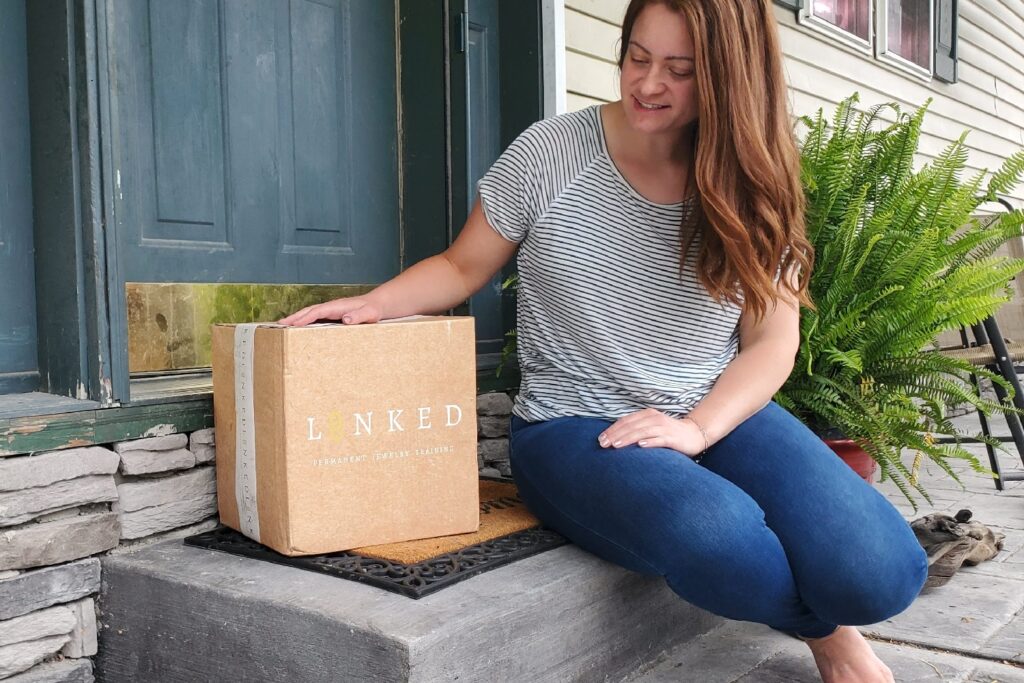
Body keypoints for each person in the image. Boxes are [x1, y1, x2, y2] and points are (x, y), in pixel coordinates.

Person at [280, 1, 927, 680]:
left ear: (732, 81)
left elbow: (771, 342)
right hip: (574, 427)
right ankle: (825, 632)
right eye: (637, 58)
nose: (648, 85)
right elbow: (462, 266)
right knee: (722, 539)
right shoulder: (551, 154)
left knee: (881, 570)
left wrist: (699, 429)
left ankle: (827, 601)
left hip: (710, 412)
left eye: (679, 70)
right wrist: (373, 304)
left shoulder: (753, 183)